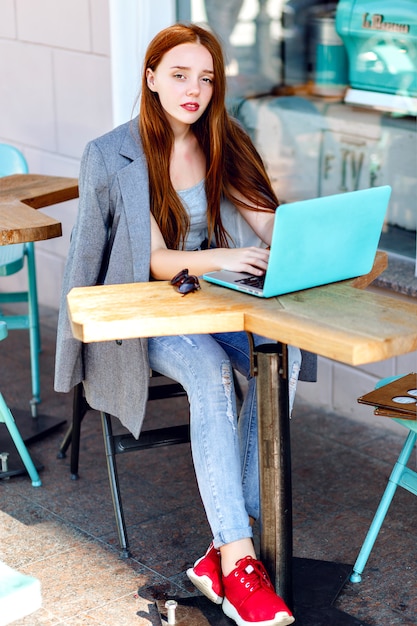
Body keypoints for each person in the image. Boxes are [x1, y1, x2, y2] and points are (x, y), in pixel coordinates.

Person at [55, 23, 317, 626]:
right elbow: (152, 259)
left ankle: (227, 546)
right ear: (150, 79)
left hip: (214, 302)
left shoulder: (226, 139)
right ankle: (242, 556)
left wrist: (305, 241)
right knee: (208, 373)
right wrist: (221, 257)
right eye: (178, 75)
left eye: (205, 77)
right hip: (151, 310)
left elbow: (267, 221)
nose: (193, 89)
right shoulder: (115, 151)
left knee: (286, 353)